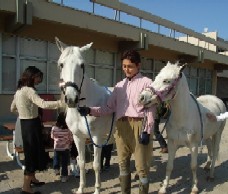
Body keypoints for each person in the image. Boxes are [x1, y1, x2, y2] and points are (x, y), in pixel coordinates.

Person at [78, 50, 156, 194]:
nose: (127, 69)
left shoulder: (147, 83)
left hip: (139, 125)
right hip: (121, 126)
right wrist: (90, 110)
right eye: (124, 66)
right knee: (123, 165)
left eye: (130, 66)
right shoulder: (119, 86)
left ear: (138, 65)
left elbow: (150, 109)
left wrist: (147, 130)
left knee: (141, 168)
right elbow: (108, 107)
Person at [10, 66, 64, 194]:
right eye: (39, 77)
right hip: (32, 125)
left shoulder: (19, 91)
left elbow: (12, 108)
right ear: (32, 77)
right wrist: (61, 103)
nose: (40, 79)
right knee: (32, 155)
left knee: (30, 153)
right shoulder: (29, 91)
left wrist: (23, 112)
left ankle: (32, 179)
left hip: (24, 124)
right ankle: (26, 189)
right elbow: (43, 104)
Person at [51, 112, 73, 183]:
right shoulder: (68, 130)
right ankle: (64, 177)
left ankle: (56, 169)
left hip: (57, 147)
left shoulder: (54, 128)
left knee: (56, 158)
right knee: (64, 163)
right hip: (65, 148)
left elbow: (52, 137)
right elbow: (71, 139)